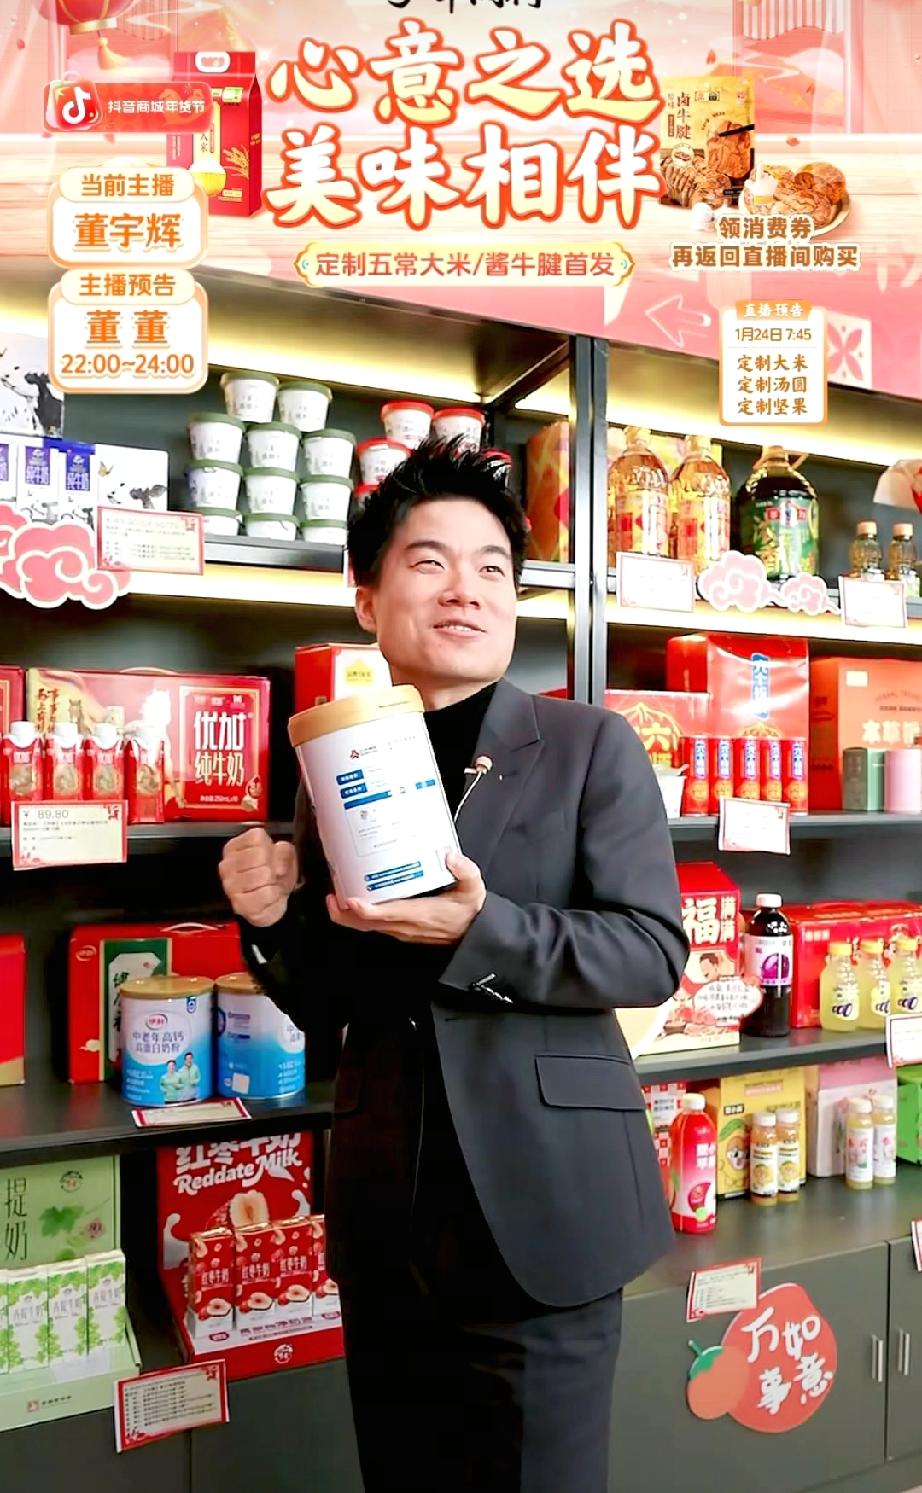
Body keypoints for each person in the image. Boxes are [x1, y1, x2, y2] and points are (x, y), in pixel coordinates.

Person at [219, 439, 688, 1493]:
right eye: (428, 561)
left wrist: (481, 930)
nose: (464, 589)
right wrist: (271, 920)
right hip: (387, 1216)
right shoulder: (335, 760)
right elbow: (332, 1001)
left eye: (490, 567)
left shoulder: (588, 744)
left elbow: (651, 950)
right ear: (367, 597)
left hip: (545, 1215)